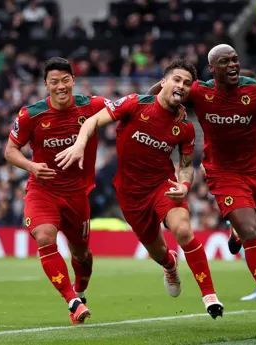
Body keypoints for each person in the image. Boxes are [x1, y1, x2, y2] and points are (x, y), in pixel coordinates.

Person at [147, 44, 256, 329]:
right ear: (212, 69)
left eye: (235, 60)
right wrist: (169, 93)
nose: (233, 65)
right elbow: (155, 95)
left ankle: (237, 232)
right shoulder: (199, 92)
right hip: (224, 174)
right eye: (225, 61)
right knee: (253, 233)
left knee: (253, 229)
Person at [56, 59, 224, 319]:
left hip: (162, 187)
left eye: (187, 83)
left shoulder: (186, 128)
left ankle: (209, 295)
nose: (181, 85)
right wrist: (79, 145)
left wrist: (185, 185)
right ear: (164, 82)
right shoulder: (134, 104)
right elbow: (91, 122)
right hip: (130, 195)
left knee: (182, 229)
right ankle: (169, 264)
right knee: (158, 253)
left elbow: (187, 166)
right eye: (176, 79)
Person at [4, 57, 110, 324]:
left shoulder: (93, 106)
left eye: (65, 80)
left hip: (77, 194)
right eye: (54, 82)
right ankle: (72, 301)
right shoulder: (31, 114)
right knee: (44, 236)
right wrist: (31, 166)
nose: (60, 86)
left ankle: (81, 292)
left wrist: (168, 99)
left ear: (73, 80)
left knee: (82, 255)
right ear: (45, 85)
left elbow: (132, 105)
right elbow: (10, 151)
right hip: (43, 191)